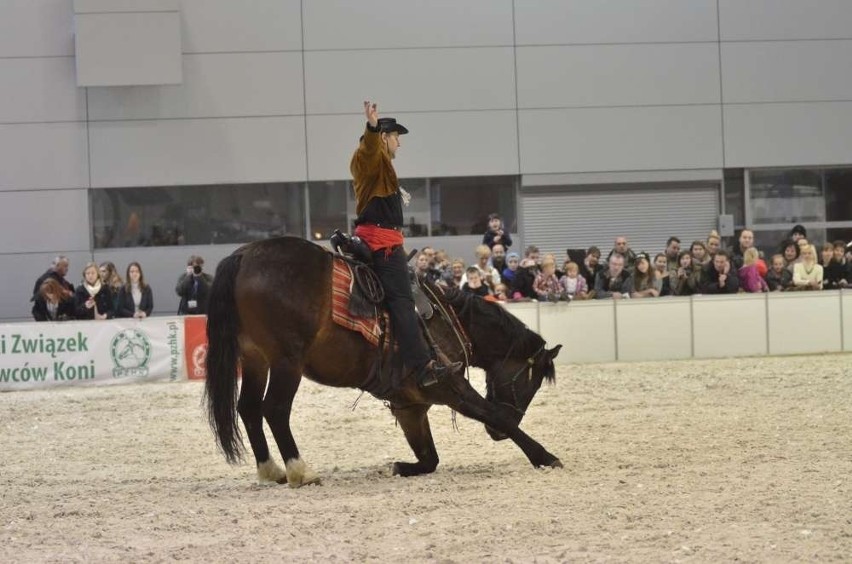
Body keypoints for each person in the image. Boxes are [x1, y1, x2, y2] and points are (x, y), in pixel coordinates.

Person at [350, 100, 462, 389]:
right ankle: (422, 367)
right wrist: (372, 126)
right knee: (402, 301)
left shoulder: (381, 167)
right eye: (397, 137)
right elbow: (368, 149)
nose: (400, 144)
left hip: (380, 238)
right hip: (382, 242)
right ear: (384, 138)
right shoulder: (370, 158)